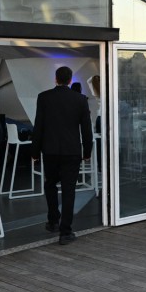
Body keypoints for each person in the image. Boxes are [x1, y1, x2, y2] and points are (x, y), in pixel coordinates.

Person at [32, 66, 93, 243]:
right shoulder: (80, 99)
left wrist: (35, 152)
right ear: (70, 80)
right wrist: (87, 152)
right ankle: (65, 231)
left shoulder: (44, 97)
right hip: (71, 151)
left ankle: (53, 221)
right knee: (69, 190)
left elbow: (39, 126)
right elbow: (86, 129)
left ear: (55, 79)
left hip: (50, 150)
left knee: (50, 185)